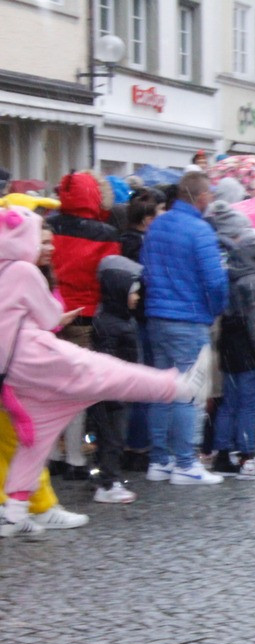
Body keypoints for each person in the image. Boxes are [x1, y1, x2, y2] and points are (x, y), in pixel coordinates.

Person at [0, 205, 210, 537]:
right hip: (33, 356)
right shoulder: (22, 272)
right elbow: (50, 315)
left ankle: (13, 512)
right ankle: (177, 386)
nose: (45, 246)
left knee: (36, 440)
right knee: (106, 372)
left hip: (11, 373)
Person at [140, 171, 229, 485]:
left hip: (157, 316)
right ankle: (186, 463)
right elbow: (215, 281)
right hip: (189, 318)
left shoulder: (157, 225)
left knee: (162, 390)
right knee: (188, 392)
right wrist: (215, 309)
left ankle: (159, 460)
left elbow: (147, 268)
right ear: (202, 197)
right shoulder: (200, 230)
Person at [48, 171, 120, 483]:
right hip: (85, 317)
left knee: (49, 388)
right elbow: (109, 278)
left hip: (49, 314)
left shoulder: (48, 226)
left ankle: (51, 454)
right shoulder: (105, 234)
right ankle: (76, 456)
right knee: (77, 390)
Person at [213, 228, 255, 480]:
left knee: (229, 403)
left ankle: (224, 454)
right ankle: (247, 457)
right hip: (250, 350)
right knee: (249, 405)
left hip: (230, 346)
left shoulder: (230, 276)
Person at [87, 256, 145, 503]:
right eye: (133, 293)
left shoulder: (117, 320)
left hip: (117, 389)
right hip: (112, 392)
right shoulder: (113, 324)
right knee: (112, 438)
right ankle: (107, 483)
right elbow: (108, 360)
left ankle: (105, 478)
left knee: (110, 437)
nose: (137, 297)